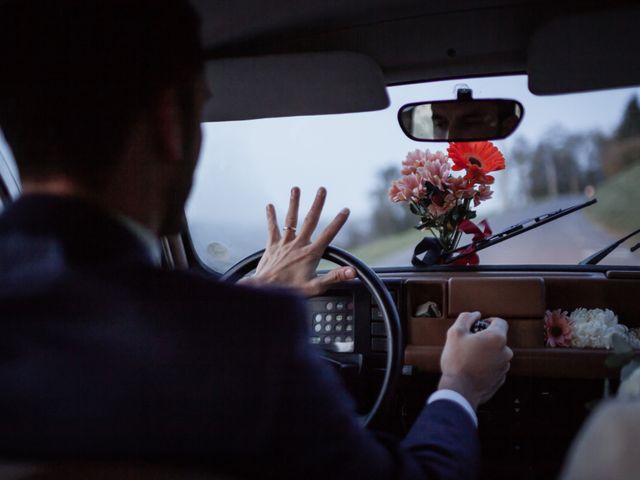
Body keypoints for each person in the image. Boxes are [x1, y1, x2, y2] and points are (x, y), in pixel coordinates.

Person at [0, 0, 512, 478]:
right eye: (199, 110)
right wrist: (458, 387)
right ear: (168, 125)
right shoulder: (245, 346)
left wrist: (247, 294)